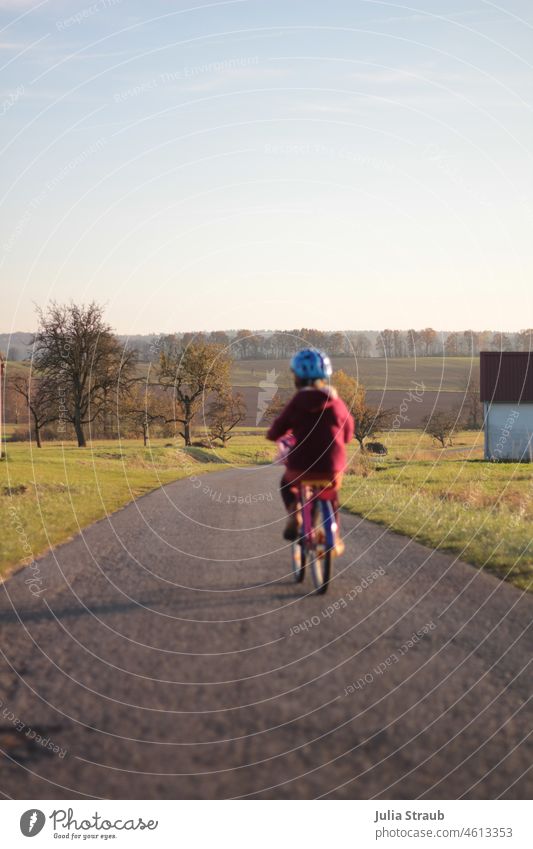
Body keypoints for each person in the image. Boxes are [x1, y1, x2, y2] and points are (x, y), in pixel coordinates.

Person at [266, 348, 354, 544]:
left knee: (286, 484)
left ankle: (294, 515)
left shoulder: (298, 402)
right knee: (332, 496)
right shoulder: (336, 403)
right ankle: (335, 537)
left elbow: (278, 428)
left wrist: (273, 435)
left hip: (300, 468)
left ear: (297, 376)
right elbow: (348, 431)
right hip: (332, 469)